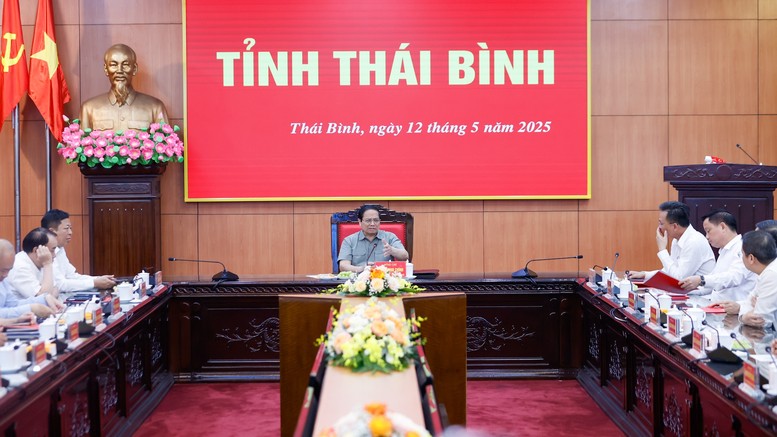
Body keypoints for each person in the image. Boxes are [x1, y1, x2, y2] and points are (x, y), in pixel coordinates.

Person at [79, 43, 169, 132]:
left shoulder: (155, 107)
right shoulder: (89, 108)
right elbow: (82, 140)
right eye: (113, 65)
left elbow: (165, 140)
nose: (119, 70)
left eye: (125, 64)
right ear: (106, 69)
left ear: (134, 69)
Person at [678, 210, 756, 302]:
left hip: (735, 308)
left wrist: (701, 280)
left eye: (708, 231)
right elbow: (712, 284)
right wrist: (686, 289)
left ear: (722, 227)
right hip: (717, 305)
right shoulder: (724, 251)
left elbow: (733, 278)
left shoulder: (742, 248)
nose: (707, 236)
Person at [627, 201, 715, 281]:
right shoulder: (676, 240)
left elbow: (678, 278)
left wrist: (662, 250)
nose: (659, 227)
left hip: (699, 293)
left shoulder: (694, 242)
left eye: (661, 223)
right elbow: (670, 270)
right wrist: (645, 274)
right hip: (684, 291)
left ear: (675, 226)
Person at [41, 209, 116, 292]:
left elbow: (72, 276)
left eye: (70, 228)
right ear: (52, 232)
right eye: (66, 228)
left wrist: (99, 279)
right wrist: (94, 283)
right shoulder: (44, 252)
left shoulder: (60, 249)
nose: (70, 232)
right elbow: (60, 285)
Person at [717, 230, 777, 328]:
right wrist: (746, 307)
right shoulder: (765, 271)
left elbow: (760, 320)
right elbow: (750, 300)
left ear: (751, 258)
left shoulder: (771, 274)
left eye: (742, 254)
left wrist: (742, 318)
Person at [0, 239, 62, 320]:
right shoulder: (20, 267)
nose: (6, 275)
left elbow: (12, 304)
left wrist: (44, 299)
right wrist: (31, 308)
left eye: (9, 270)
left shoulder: (3, 280)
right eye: (3, 270)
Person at [337, 205, 409, 273]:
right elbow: (343, 266)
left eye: (376, 220)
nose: (372, 224)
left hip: (385, 278)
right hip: (359, 279)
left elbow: (405, 256)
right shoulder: (349, 240)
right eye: (368, 220)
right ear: (360, 222)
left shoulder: (390, 237)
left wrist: (392, 250)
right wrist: (362, 269)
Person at [6, 228, 60, 299]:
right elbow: (43, 298)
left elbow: (56, 288)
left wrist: (49, 294)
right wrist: (47, 265)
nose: (54, 255)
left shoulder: (40, 261)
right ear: (36, 250)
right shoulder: (19, 267)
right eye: (52, 250)